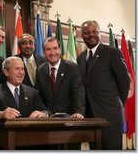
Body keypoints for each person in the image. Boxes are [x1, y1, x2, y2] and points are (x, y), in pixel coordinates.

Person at [77, 20, 130, 150]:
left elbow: (124, 82)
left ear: (100, 33)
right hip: (91, 118)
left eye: (95, 31)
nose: (91, 35)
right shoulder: (81, 58)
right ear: (82, 35)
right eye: (87, 32)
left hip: (110, 115)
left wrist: (116, 104)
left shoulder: (112, 52)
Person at [36, 37, 85, 118]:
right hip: (48, 118)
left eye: (55, 48)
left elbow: (78, 93)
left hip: (69, 118)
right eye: (48, 49)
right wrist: (44, 112)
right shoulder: (40, 70)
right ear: (44, 52)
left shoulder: (72, 68)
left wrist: (79, 113)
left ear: (60, 49)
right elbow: (39, 95)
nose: (52, 52)